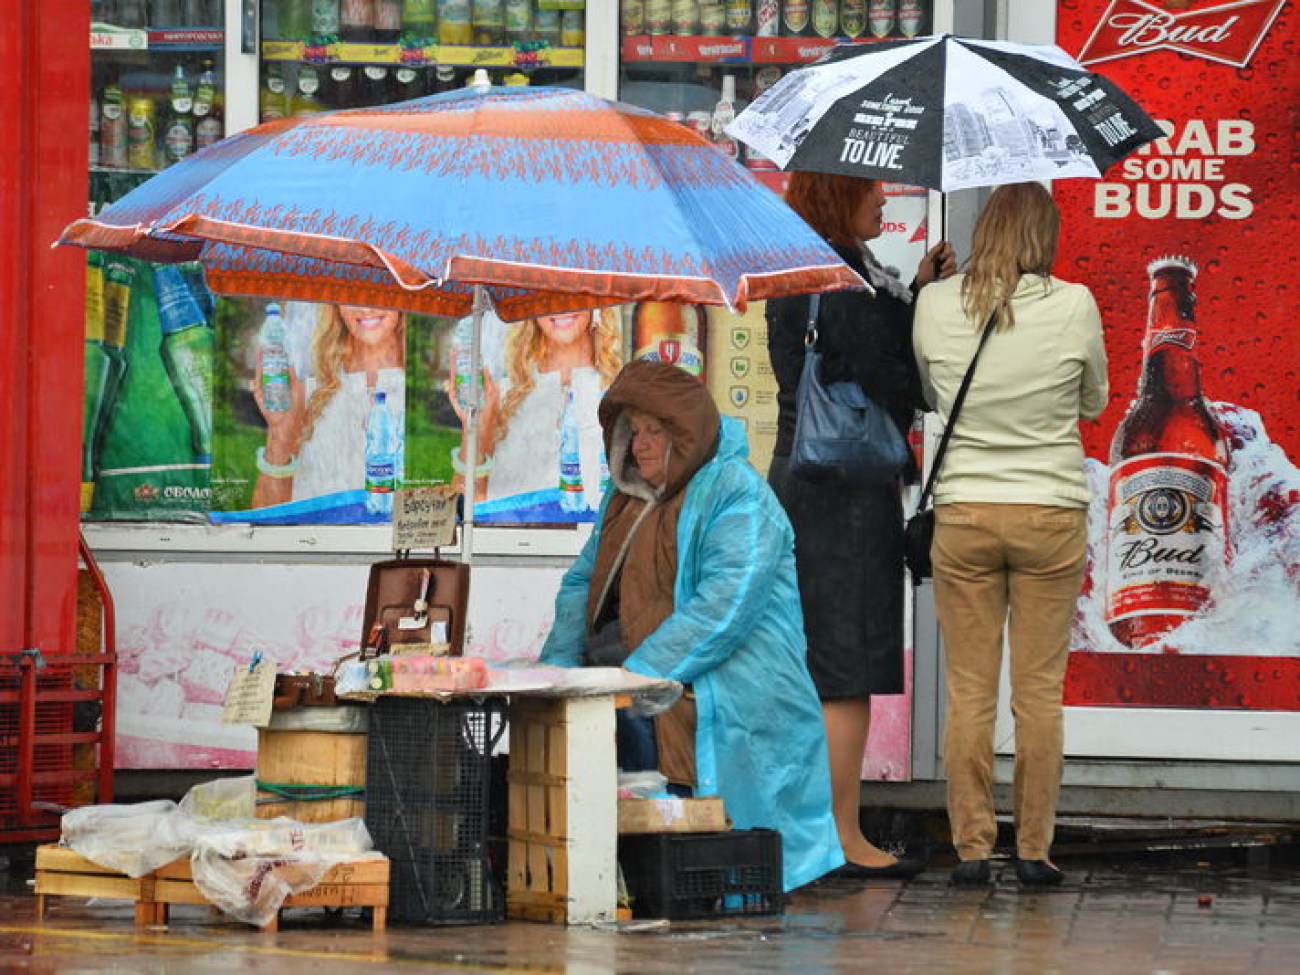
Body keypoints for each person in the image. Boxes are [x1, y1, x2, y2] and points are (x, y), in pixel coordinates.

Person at [539, 359, 844, 892]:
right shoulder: (624, 497)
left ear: (686, 433)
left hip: (732, 687)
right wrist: (558, 670)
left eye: (655, 431)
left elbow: (724, 607)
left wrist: (637, 678)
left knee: (737, 859)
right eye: (632, 431)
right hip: (637, 677)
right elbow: (580, 584)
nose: (639, 445)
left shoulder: (737, 493)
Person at [911, 182, 1109, 887]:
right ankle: (1032, 849)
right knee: (1039, 692)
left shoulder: (934, 303)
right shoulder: (1076, 304)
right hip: (1050, 512)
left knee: (969, 692)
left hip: (965, 512)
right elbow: (1095, 400)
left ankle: (970, 848)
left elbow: (933, 393)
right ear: (1044, 236)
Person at [766, 173, 953, 879]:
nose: (883, 200)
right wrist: (922, 309)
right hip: (843, 491)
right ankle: (842, 836)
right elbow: (901, 379)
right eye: (870, 189)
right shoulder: (844, 286)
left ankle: (822, 829)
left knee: (825, 662)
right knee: (844, 667)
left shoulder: (807, 274)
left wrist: (914, 292)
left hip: (808, 480)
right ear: (837, 197)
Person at [448, 307, 622, 507]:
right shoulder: (501, 397)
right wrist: (475, 434)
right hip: (512, 537)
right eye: (548, 295)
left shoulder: (620, 396)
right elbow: (466, 507)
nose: (561, 303)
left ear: (597, 304)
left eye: (570, 290)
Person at [253, 302, 406, 508]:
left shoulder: (416, 390)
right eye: (351, 292)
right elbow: (266, 517)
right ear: (336, 305)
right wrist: (278, 436)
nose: (366, 308)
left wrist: (466, 430)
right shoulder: (309, 388)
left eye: (377, 291)